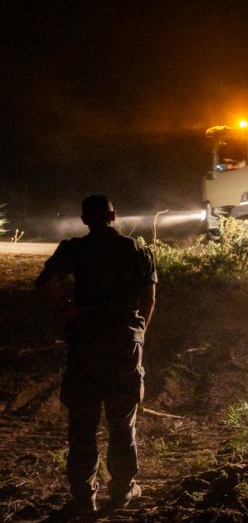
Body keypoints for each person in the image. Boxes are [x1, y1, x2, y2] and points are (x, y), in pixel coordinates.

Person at [36, 195, 157, 515]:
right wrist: (139, 330)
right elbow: (149, 296)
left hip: (86, 346)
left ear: (85, 219)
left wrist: (69, 310)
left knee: (82, 424)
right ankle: (121, 492)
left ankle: (83, 496)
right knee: (122, 423)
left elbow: (46, 284)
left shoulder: (74, 249)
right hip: (124, 345)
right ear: (113, 216)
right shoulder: (136, 250)